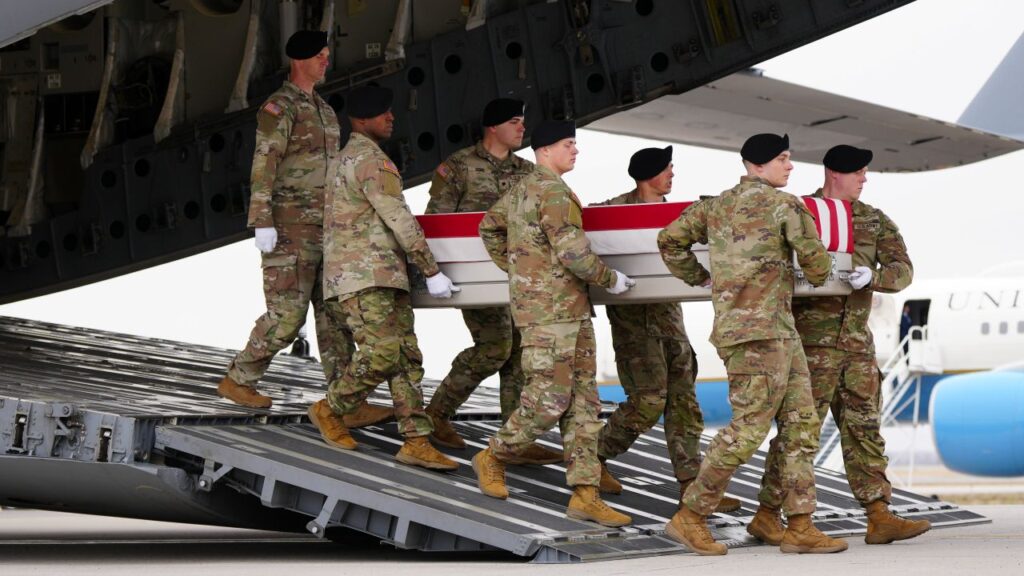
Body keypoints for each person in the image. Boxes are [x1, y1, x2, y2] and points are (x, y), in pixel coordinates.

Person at [657, 133, 847, 555]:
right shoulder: (785, 206)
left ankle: (797, 523)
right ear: (758, 165)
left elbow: (669, 240)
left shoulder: (713, 206)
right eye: (782, 159)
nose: (790, 166)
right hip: (763, 335)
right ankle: (691, 516)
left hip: (769, 333)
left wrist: (699, 276)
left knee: (801, 424)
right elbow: (817, 268)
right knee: (749, 430)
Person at [755, 144, 927, 546]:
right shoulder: (799, 213)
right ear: (836, 173)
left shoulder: (873, 220)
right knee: (798, 435)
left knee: (864, 430)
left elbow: (903, 271)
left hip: (856, 346)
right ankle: (766, 513)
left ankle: (879, 516)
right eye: (859, 173)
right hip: (809, 347)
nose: (865, 179)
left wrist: (874, 276)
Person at [217, 30, 389, 429]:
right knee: (287, 316)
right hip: (288, 228)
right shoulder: (280, 107)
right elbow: (265, 163)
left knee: (334, 317)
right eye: (320, 56)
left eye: (328, 55)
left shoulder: (325, 110)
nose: (326, 61)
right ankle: (239, 379)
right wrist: (261, 219)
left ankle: (345, 401)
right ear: (300, 60)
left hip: (323, 228)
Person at [474, 121, 635, 527]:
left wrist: (521, 272)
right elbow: (574, 254)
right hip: (553, 314)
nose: (575, 151)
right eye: (568, 144)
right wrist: (610, 278)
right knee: (550, 399)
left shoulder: (520, 190)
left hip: (566, 311)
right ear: (545, 150)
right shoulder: (553, 192)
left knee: (584, 405)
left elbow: (489, 228)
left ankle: (585, 493)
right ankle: (493, 454)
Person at [306, 85, 460, 472]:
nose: (391, 118)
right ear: (361, 121)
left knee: (406, 358)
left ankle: (416, 440)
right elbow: (398, 218)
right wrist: (431, 269)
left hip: (375, 275)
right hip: (367, 276)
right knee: (384, 353)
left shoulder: (345, 159)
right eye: (383, 113)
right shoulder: (371, 161)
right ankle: (330, 408)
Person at [590, 146, 740, 513]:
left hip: (670, 322)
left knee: (686, 406)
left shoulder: (680, 214)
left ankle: (693, 487)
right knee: (647, 402)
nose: (672, 173)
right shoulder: (610, 213)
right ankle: (592, 458)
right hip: (634, 327)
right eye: (666, 168)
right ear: (647, 174)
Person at [421, 99, 560, 465]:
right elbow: (436, 220)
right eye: (514, 122)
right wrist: (438, 272)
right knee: (495, 347)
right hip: (476, 274)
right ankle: (436, 414)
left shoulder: (528, 171)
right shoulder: (459, 166)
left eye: (522, 122)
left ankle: (513, 437)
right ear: (493, 128)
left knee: (517, 354)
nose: (521, 128)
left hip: (518, 276)